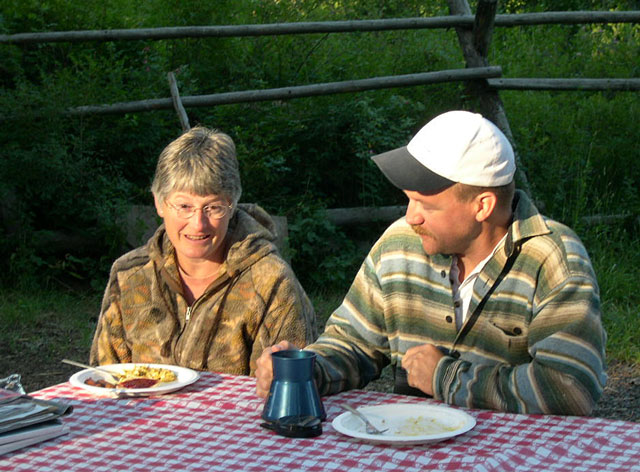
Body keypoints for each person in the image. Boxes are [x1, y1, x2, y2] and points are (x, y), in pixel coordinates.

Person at [256, 110, 607, 415]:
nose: (411, 217)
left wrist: (445, 376)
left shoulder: (552, 258)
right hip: (409, 447)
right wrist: (306, 370)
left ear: (482, 206)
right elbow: (352, 343)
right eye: (408, 201)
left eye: (426, 205)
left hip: (517, 457)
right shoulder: (399, 245)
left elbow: (569, 388)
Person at [90, 126, 316, 375]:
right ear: (159, 203)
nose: (198, 224)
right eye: (184, 205)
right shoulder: (130, 275)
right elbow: (104, 380)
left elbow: (293, 387)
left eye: (213, 207)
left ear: (232, 205)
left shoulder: (271, 281)